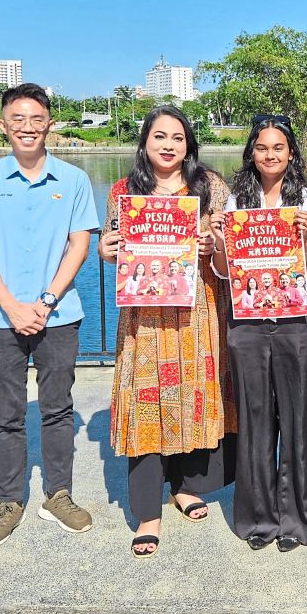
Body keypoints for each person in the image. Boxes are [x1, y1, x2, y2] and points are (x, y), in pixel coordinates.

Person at [0, 83, 99, 550]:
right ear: (3, 126)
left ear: (49, 123)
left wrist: (45, 301)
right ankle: (9, 502)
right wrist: (13, 306)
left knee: (58, 409)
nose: (28, 128)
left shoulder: (74, 181)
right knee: (7, 415)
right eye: (18, 119)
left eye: (36, 119)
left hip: (57, 314)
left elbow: (80, 244)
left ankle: (59, 495)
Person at [96, 105, 237, 558]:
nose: (169, 145)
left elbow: (227, 253)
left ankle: (187, 485)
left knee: (192, 395)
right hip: (145, 319)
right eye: (160, 136)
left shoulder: (212, 188)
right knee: (147, 401)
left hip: (197, 312)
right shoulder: (124, 191)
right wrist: (107, 249)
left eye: (178, 137)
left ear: (189, 144)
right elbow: (113, 250)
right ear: (145, 142)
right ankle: (147, 510)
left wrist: (211, 242)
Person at [212, 114, 307, 552]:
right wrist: (221, 241)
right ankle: (259, 519)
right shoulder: (235, 202)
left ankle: (298, 520)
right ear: (252, 153)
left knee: (297, 419)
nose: (270, 155)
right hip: (246, 320)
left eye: (278, 148)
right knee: (256, 419)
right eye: (262, 148)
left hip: (297, 319)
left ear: (291, 153)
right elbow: (223, 271)